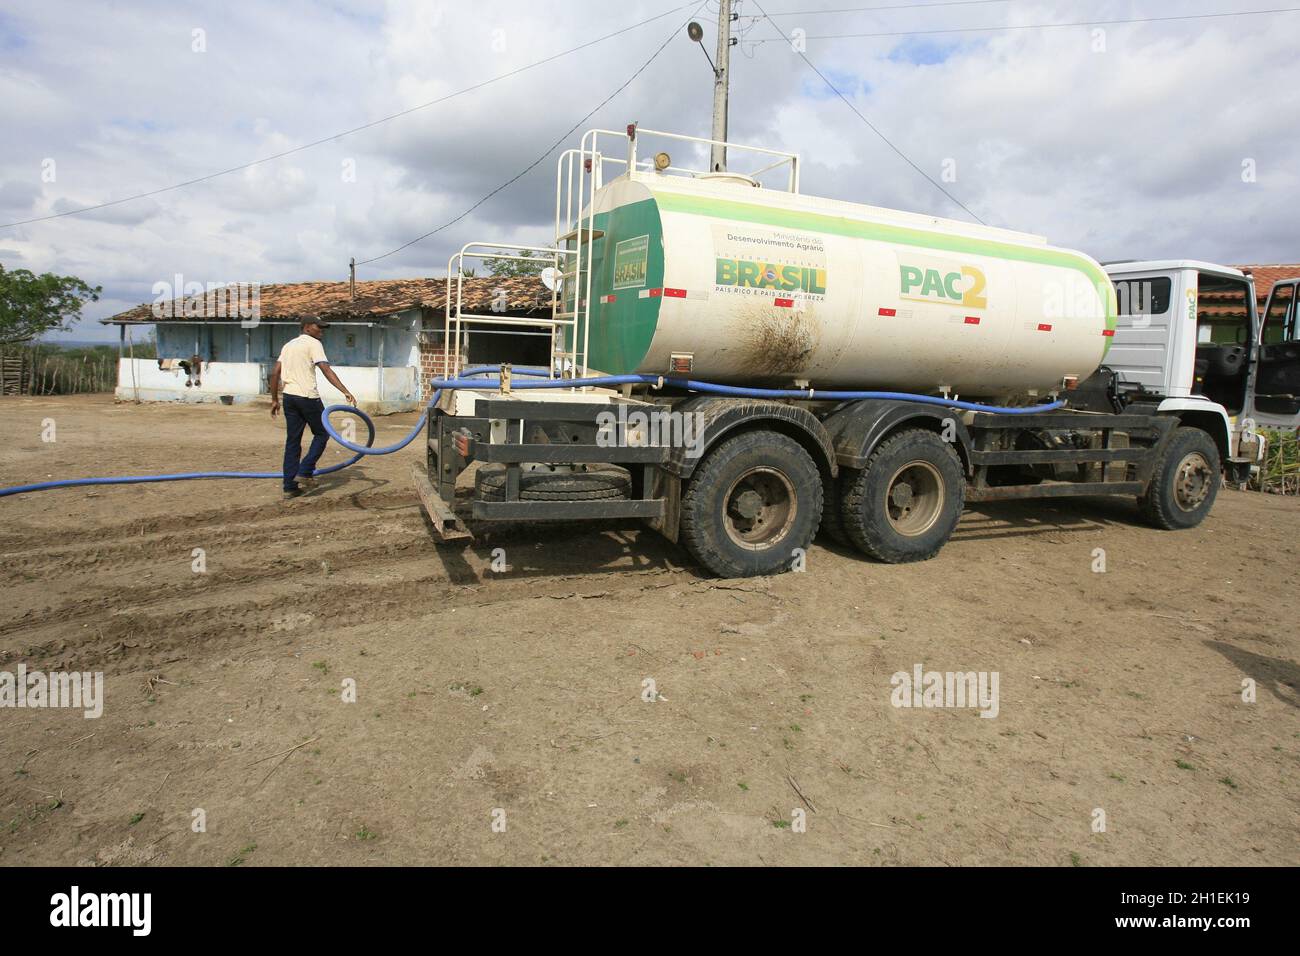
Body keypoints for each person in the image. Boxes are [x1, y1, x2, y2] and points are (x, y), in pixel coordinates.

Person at [269, 318, 355, 499]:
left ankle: (289, 487)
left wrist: (275, 399)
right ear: (307, 328)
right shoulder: (313, 344)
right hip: (307, 396)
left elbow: (275, 372)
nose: (321, 331)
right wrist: (345, 391)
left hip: (289, 397)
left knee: (293, 441)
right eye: (319, 327)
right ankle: (305, 470)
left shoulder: (289, 345)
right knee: (323, 433)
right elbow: (326, 369)